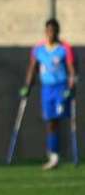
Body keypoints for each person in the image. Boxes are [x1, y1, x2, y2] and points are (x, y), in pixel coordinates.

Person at [20, 18, 77, 170]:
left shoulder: (65, 48)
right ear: (46, 32)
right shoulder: (39, 49)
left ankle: (56, 153)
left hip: (61, 87)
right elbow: (33, 68)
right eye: (48, 31)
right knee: (50, 121)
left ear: (57, 31)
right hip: (46, 89)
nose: (51, 34)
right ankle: (53, 155)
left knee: (57, 119)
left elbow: (71, 68)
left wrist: (72, 83)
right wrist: (27, 85)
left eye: (53, 31)